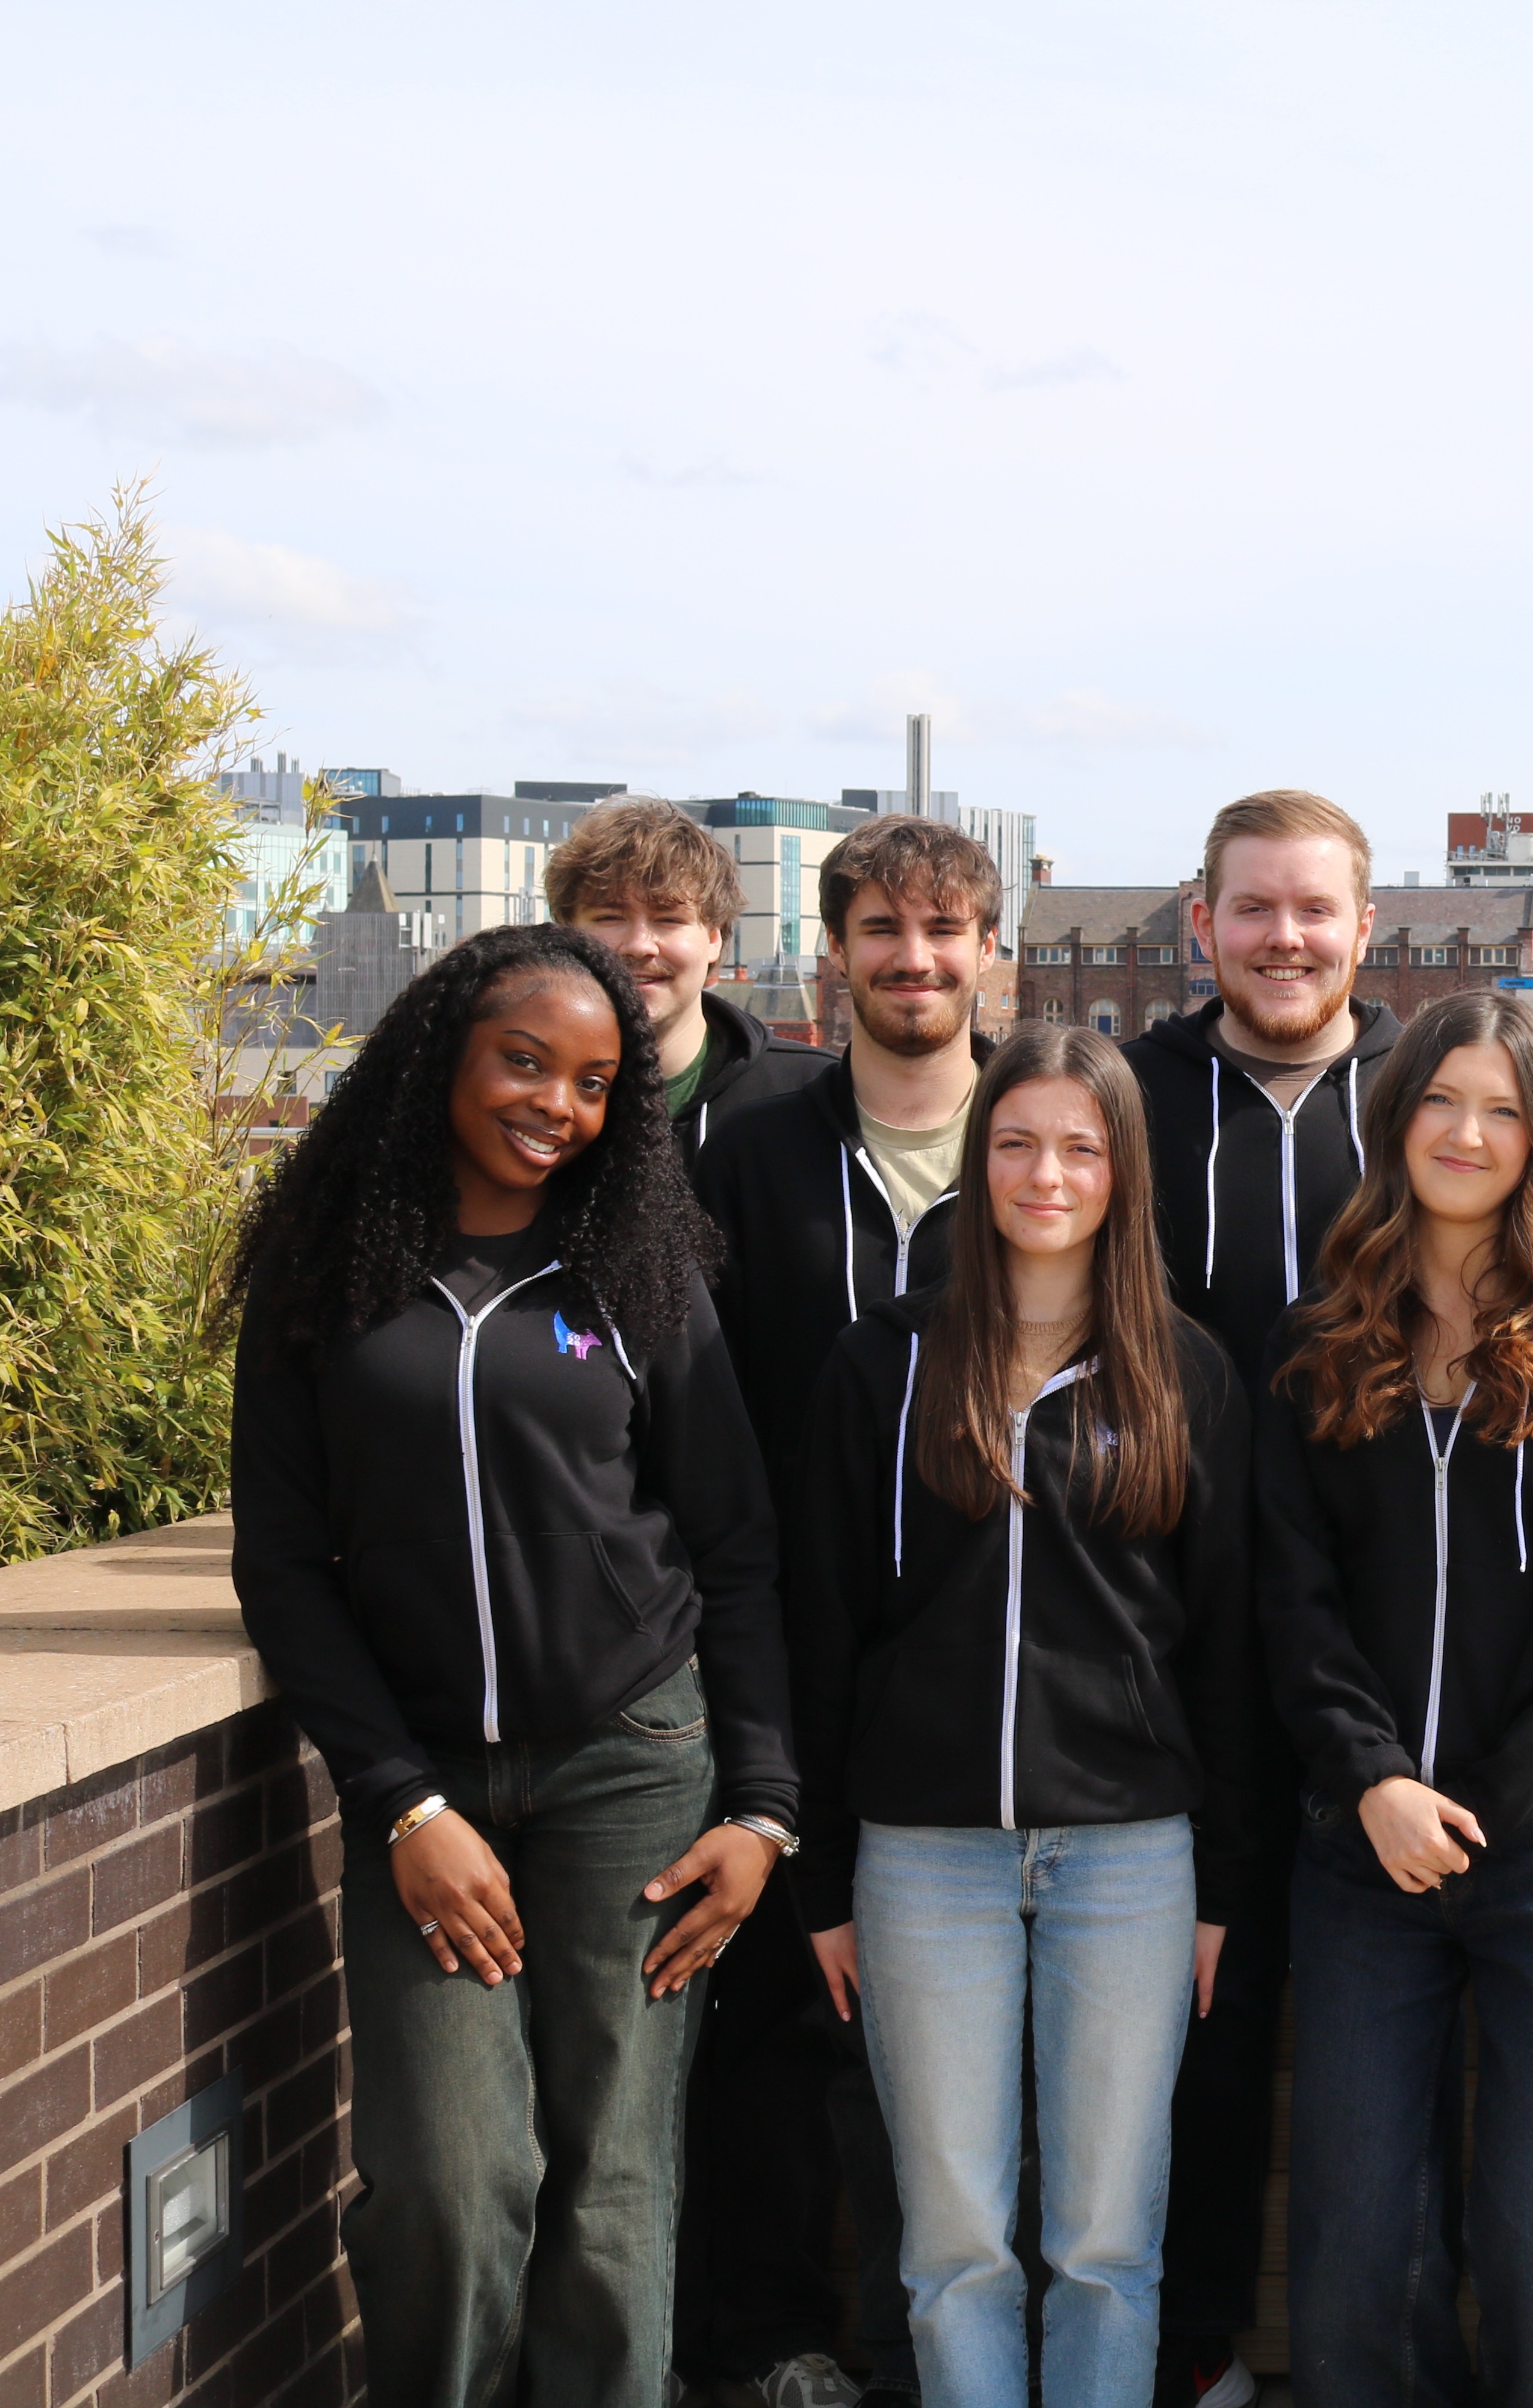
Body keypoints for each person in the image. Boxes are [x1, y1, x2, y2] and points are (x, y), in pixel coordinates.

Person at [227, 923, 795, 2408]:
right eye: (525, 1062)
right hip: (424, 1783)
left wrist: (763, 1806)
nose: (557, 1104)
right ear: (444, 1055)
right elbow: (282, 1563)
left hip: (633, 1762)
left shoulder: (635, 1272)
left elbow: (734, 1545)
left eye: (595, 1082)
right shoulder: (329, 1269)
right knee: (447, 2179)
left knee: (612, 2183)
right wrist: (400, 1801)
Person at [784, 1026, 1263, 2408]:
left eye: (1079, 1147)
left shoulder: (1185, 1371)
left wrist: (1222, 1887)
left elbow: (1230, 1654)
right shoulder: (882, 1365)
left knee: (1107, 2239)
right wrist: (823, 1877)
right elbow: (822, 1631)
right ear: (977, 1158)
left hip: (1131, 1855)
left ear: (1123, 1171)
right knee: (955, 2244)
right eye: (1016, 1142)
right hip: (923, 1856)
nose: (1046, 1173)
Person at [1259, 989, 1533, 2407]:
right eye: (1441, 1099)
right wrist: (1373, 1775)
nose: (1467, 1132)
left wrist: (1486, 1804)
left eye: (1502, 1109)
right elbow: (1292, 1588)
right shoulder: (1323, 1325)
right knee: (1361, 2240)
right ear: (1395, 1117)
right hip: (1363, 1842)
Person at [687, 811, 1006, 2408]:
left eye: (943, 931)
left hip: (988, 1658)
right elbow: (693, 1400)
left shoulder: (1046, 1140)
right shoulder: (752, 1150)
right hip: (778, 1636)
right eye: (881, 929)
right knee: (772, 2009)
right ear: (833, 953)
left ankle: (931, 2356)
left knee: (962, 2038)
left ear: (989, 952)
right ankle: (771, 2344)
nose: (913, 959)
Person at [1123, 791, 1400, 2408]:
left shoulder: (1431, 1100)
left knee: (1393, 2023)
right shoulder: (1128, 1100)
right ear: (1202, 924)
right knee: (1201, 2015)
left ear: (1367, 926)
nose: (1285, 938)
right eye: (1253, 908)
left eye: (1314, 909)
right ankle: (1196, 2347)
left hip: (1393, 1639)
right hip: (1173, 1636)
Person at [548, 794, 835, 1159]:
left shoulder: (813, 1096)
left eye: (668, 919)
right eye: (610, 917)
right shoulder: (522, 1096)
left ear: (715, 939)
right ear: (565, 933)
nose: (640, 946)